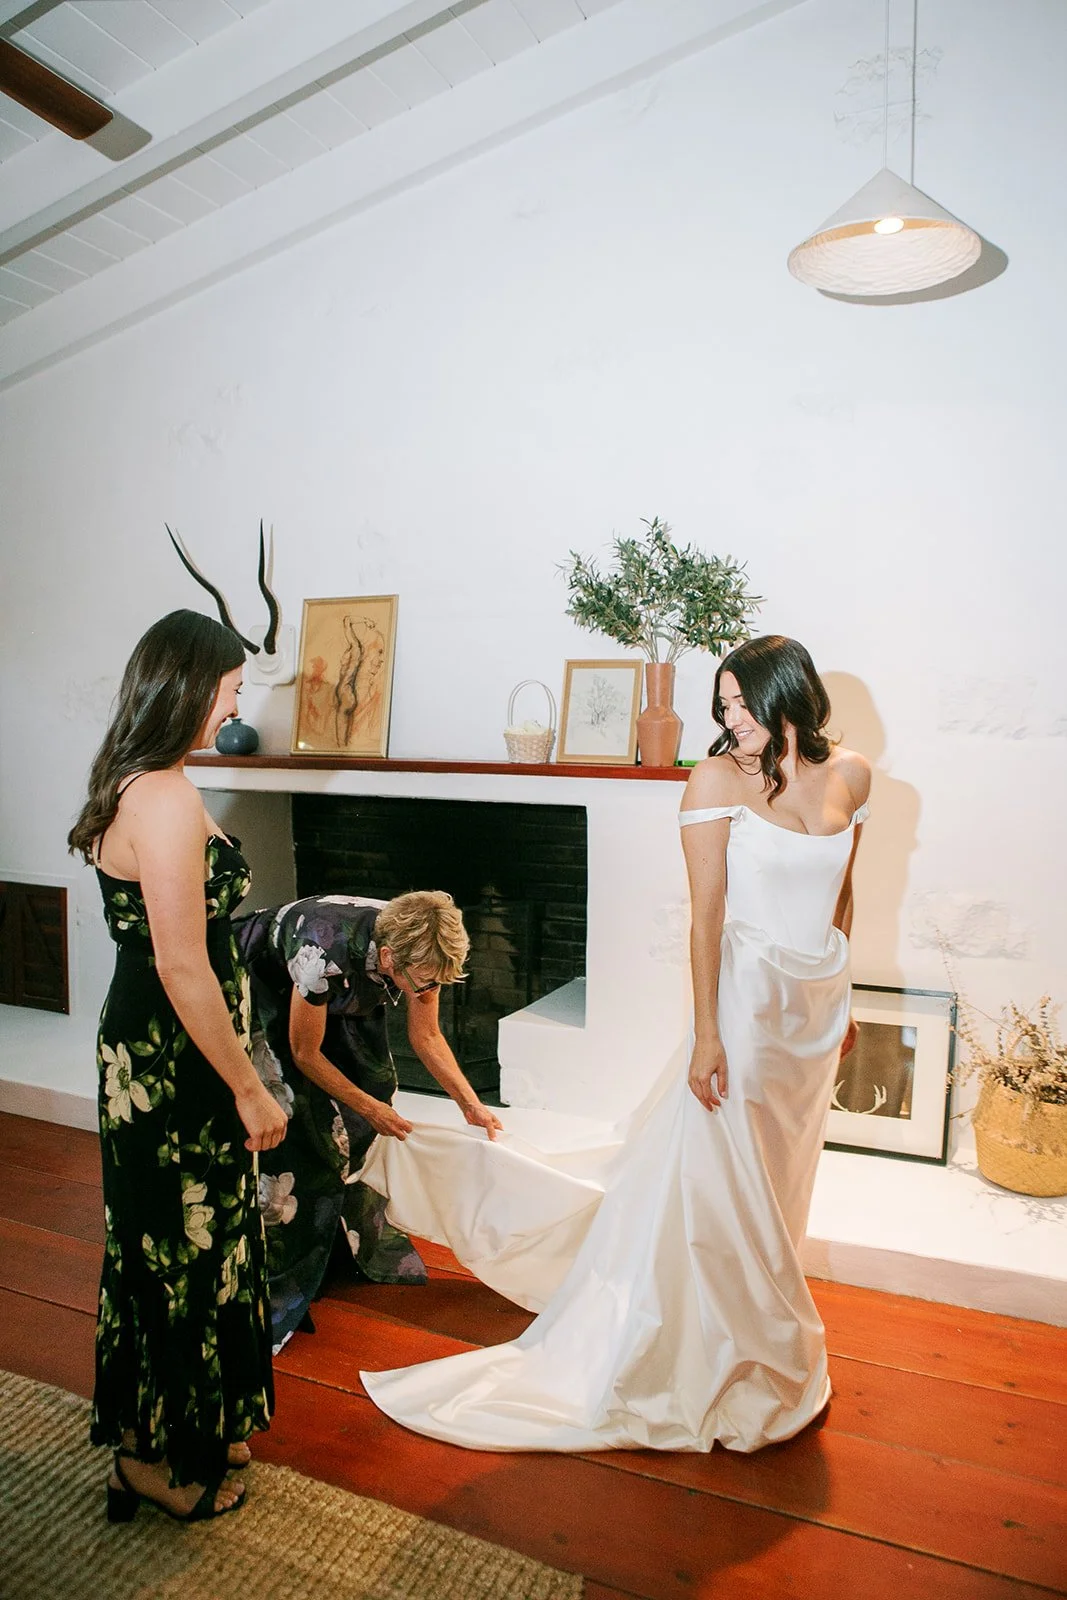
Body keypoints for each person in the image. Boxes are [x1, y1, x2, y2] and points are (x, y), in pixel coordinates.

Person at [359, 635, 871, 1452]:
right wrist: (706, 1035)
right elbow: (704, 918)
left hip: (810, 1012)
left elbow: (843, 891)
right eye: (722, 704)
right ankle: (726, 1349)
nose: (728, 718)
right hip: (743, 1006)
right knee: (725, 1181)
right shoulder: (712, 780)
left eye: (742, 702)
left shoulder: (850, 774)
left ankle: (757, 1330)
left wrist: (843, 1003)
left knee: (779, 1176)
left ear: (791, 698)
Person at [68, 609, 288, 1521]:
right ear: (193, 686)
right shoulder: (157, 795)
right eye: (231, 692)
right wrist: (250, 1084)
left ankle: (205, 1420)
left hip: (170, 1046)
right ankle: (145, 1460)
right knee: (172, 1252)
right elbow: (180, 960)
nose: (233, 708)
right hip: (171, 1061)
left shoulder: (157, 779)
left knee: (206, 1241)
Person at [234, 890, 503, 1349]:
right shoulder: (321, 952)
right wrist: (368, 1109)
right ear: (387, 955)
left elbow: (428, 1034)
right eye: (421, 984)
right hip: (270, 985)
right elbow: (304, 1053)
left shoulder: (421, 950)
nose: (426, 992)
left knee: (374, 1092)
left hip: (343, 987)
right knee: (307, 1127)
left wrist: (469, 1102)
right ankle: (286, 1279)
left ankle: (349, 1246)